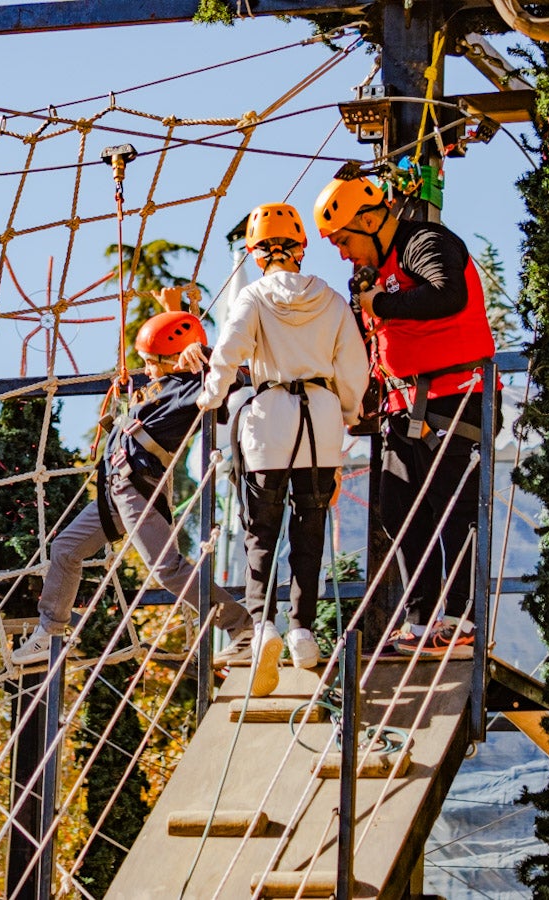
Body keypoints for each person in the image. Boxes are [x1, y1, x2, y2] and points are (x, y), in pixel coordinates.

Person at [186, 203, 368, 697]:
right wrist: (346, 412)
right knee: (311, 529)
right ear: (300, 248)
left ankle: (264, 623)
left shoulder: (254, 297)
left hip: (269, 424)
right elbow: (355, 366)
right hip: (322, 423)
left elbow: (228, 351)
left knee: (260, 531)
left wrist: (212, 395)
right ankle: (303, 631)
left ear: (256, 252)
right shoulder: (329, 299)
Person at [12, 307, 255, 668]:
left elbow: (244, 377)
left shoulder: (197, 384)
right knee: (65, 548)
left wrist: (206, 354)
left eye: (152, 361)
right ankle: (50, 634)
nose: (148, 368)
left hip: (139, 484)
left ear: (176, 359)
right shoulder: (162, 384)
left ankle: (242, 627)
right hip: (115, 486)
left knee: (167, 569)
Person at [314, 176, 496, 657]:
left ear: (372, 221)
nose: (343, 254)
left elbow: (447, 295)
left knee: (451, 509)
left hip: (454, 397)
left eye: (345, 240)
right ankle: (420, 620)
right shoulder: (372, 275)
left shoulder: (425, 242)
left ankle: (461, 620)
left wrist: (382, 304)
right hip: (402, 406)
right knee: (398, 511)